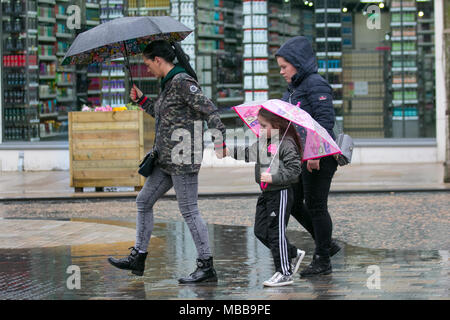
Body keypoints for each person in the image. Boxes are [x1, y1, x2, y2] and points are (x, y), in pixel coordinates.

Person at [107, 40, 227, 284]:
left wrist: (219, 139)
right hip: (165, 159)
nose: (147, 69)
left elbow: (209, 110)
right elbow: (166, 115)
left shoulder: (182, 82)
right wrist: (142, 101)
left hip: (182, 158)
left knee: (189, 210)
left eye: (148, 63)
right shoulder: (169, 84)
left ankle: (206, 266)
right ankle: (138, 256)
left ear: (158, 60)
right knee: (143, 201)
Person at [275, 36, 341, 277]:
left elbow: (324, 122)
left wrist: (315, 153)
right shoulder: (293, 90)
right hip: (301, 156)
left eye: (284, 67)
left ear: (298, 63)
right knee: (293, 201)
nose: (281, 72)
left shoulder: (316, 84)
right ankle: (327, 243)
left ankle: (323, 259)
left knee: (316, 206)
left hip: (319, 157)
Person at [225, 108, 305, 287]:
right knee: (261, 231)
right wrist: (228, 151)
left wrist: (274, 177)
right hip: (266, 194)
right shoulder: (265, 142)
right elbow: (248, 152)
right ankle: (291, 252)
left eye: (263, 125)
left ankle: (284, 272)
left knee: (276, 233)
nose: (259, 129)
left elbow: (294, 170)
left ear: (276, 126)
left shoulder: (287, 143)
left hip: (281, 193)